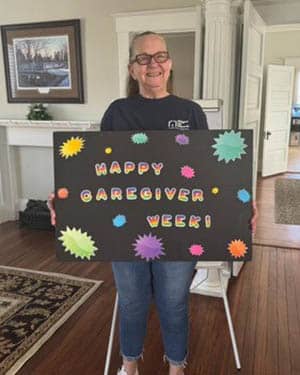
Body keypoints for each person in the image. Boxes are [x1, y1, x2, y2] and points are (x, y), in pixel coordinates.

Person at [49, 31, 258, 375]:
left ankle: (177, 365)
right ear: (133, 69)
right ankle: (129, 363)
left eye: (160, 56)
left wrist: (241, 203)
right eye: (143, 58)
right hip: (124, 227)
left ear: (170, 64)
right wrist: (64, 199)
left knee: (173, 301)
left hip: (178, 229)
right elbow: (94, 172)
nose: (153, 64)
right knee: (131, 301)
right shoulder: (117, 112)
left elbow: (208, 172)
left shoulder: (190, 112)